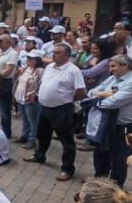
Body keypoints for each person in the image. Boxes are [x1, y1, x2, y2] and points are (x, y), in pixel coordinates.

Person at [25, 43, 87, 181]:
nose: (53, 55)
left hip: (62, 109)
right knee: (42, 134)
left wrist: (66, 99)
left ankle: (67, 169)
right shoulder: (49, 67)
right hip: (45, 107)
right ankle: (39, 155)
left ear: (67, 55)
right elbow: (44, 84)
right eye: (53, 52)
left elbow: (81, 92)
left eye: (57, 53)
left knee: (66, 140)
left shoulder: (73, 70)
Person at [86, 54, 132, 186]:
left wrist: (96, 100)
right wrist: (104, 94)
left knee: (119, 160)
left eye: (113, 66)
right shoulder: (113, 78)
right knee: (100, 154)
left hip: (124, 127)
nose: (110, 69)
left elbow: (113, 103)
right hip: (106, 124)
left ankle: (114, 190)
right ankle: (98, 183)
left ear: (125, 66)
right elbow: (91, 92)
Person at [0, 35, 18, 138]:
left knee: (5, 110)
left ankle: (6, 133)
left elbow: (9, 69)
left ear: (8, 43)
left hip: (4, 83)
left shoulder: (13, 53)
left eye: (1, 41)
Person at [15, 50, 44, 150]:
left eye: (31, 58)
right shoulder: (26, 67)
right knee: (25, 118)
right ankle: (24, 136)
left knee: (33, 121)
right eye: (28, 58)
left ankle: (32, 140)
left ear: (37, 60)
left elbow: (42, 85)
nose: (28, 60)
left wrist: (35, 95)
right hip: (21, 96)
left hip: (31, 99)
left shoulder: (40, 71)